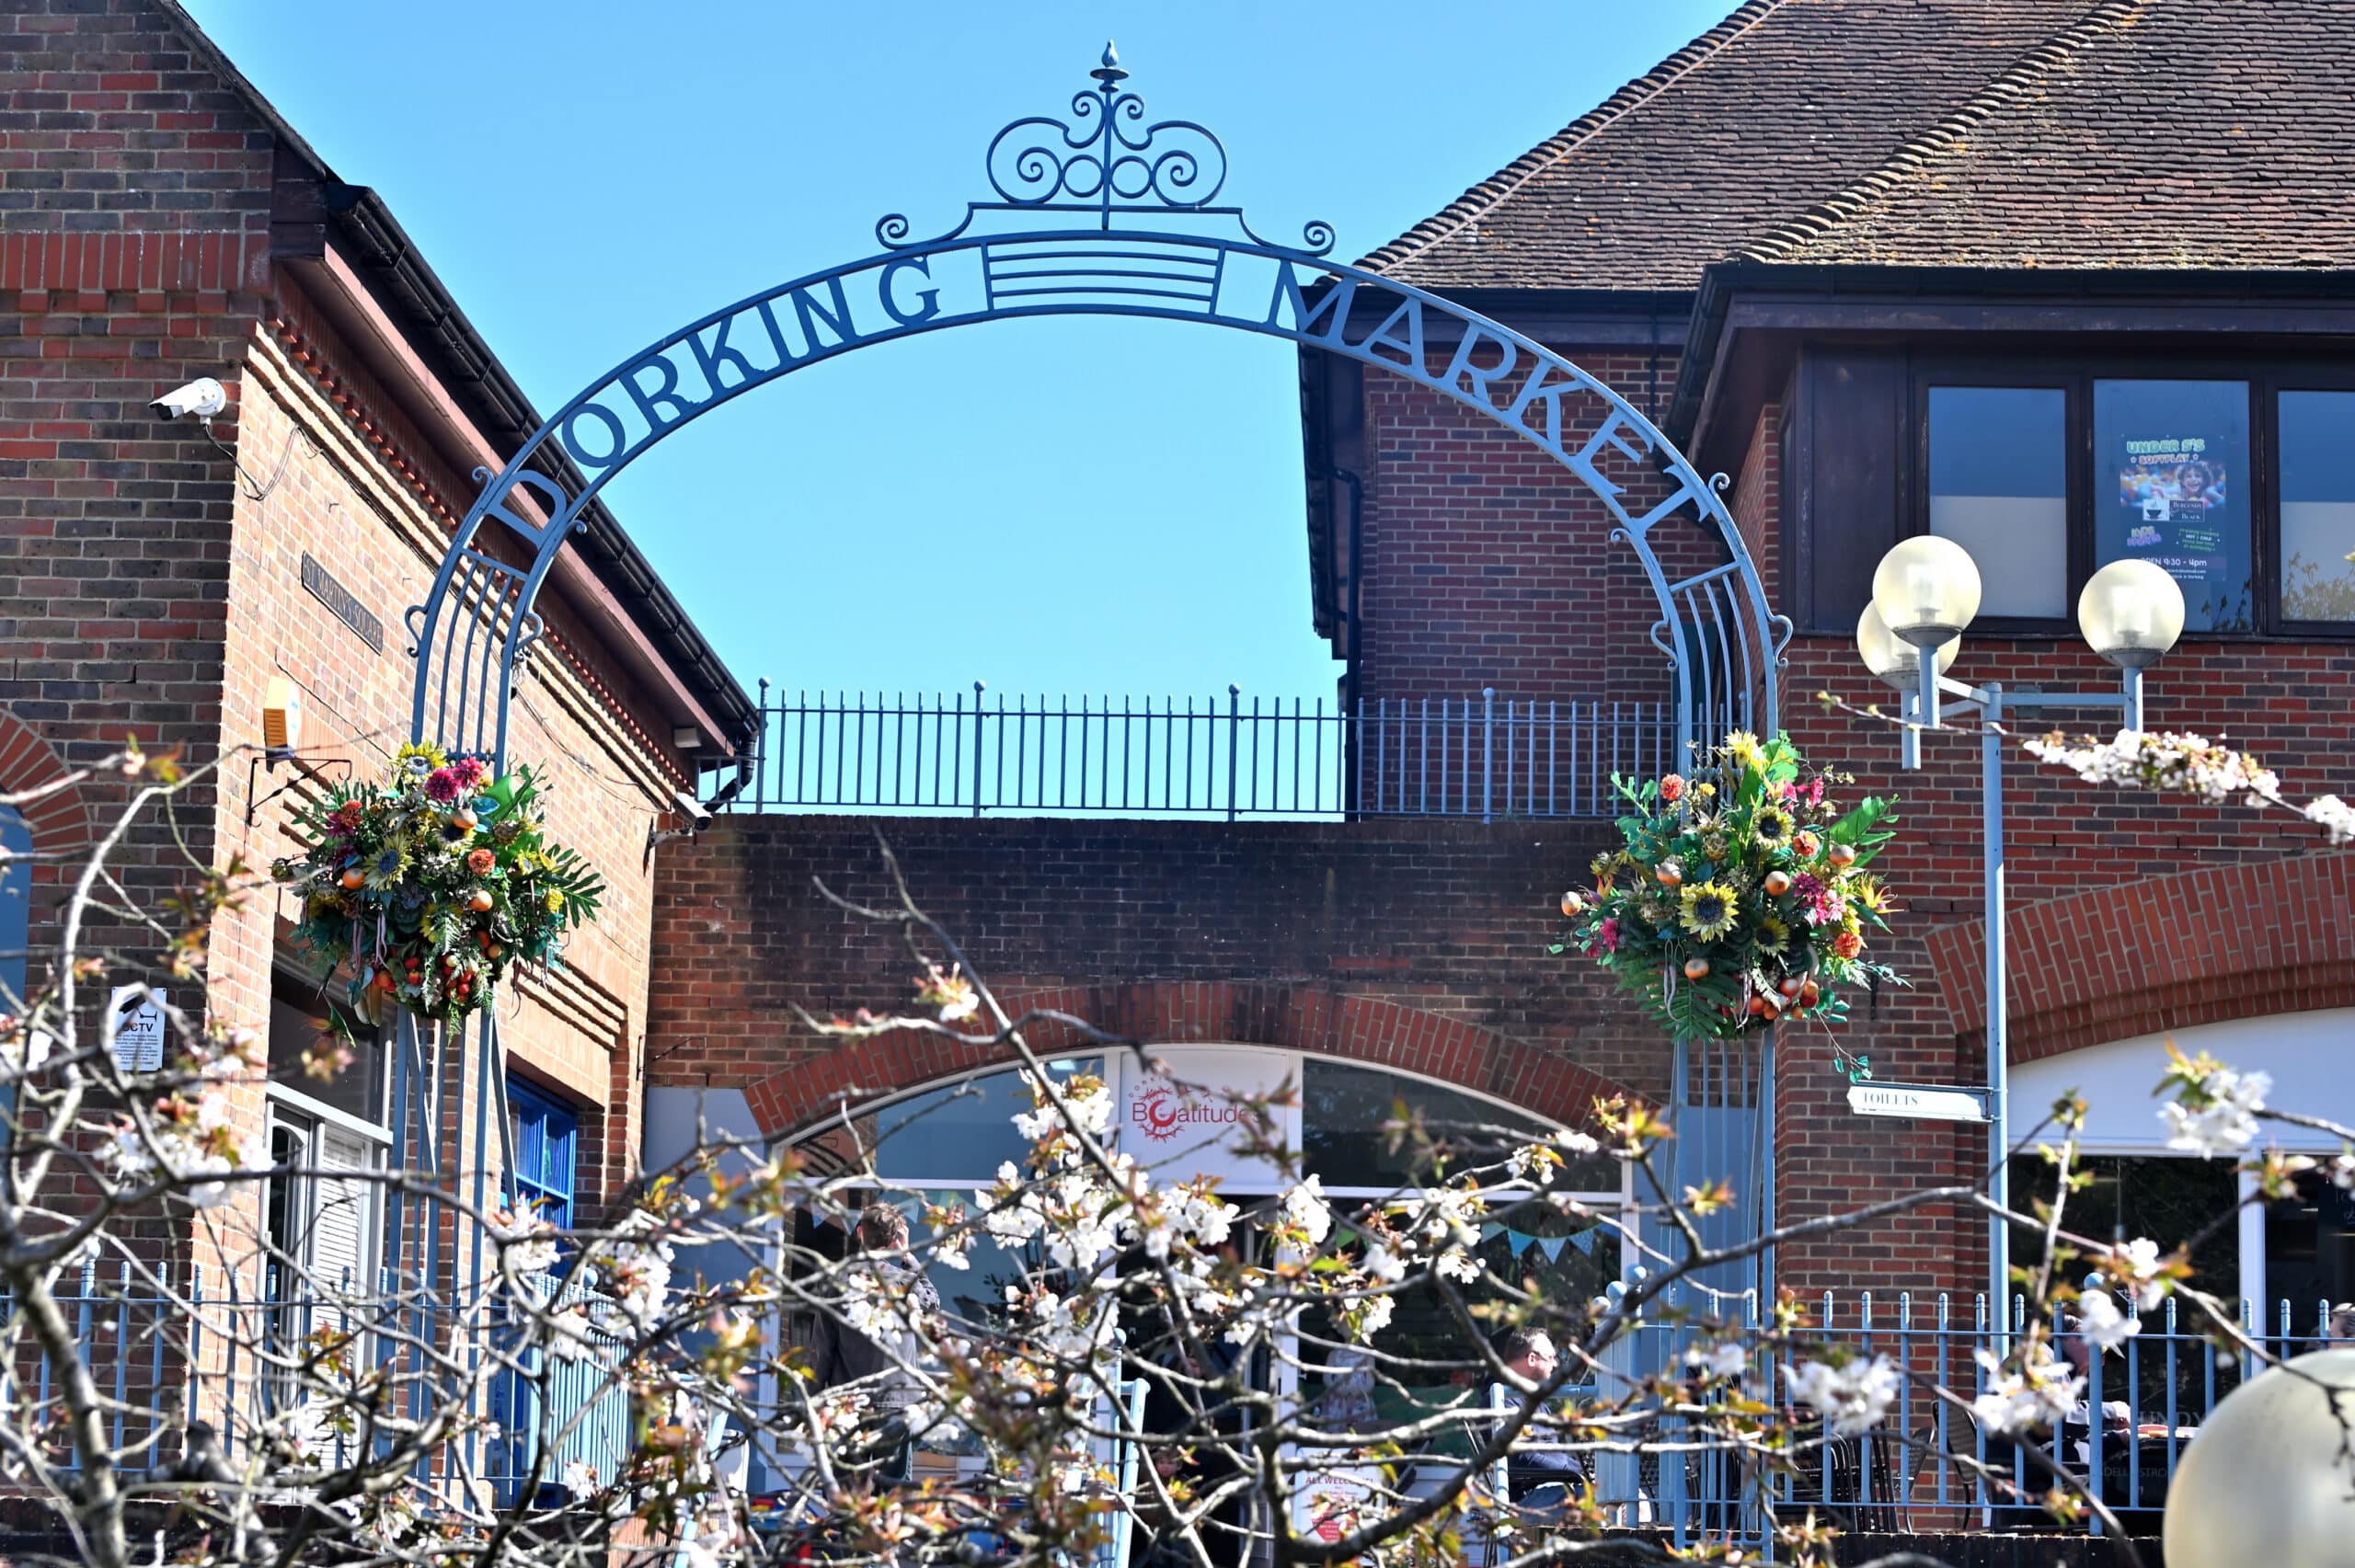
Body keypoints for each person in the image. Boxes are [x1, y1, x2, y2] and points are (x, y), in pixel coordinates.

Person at [812, 1202, 941, 1485]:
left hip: (848, 1404)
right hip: (899, 1400)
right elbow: (933, 1301)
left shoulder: (836, 1284)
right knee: (891, 1494)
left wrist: (814, 1400)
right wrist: (908, 1256)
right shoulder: (907, 1284)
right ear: (895, 1240)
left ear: (859, 1233)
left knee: (848, 1491)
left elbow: (822, 1351)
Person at [1486, 1328, 1583, 1516]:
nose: (1555, 1364)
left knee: (1633, 1498)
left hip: (1551, 1492)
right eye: (1551, 1357)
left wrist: (1583, 1473)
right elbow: (1524, 1458)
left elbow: (1554, 1456)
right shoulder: (1500, 1401)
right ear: (1532, 1359)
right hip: (1525, 1500)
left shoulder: (1539, 1406)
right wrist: (1578, 1471)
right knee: (1601, 1499)